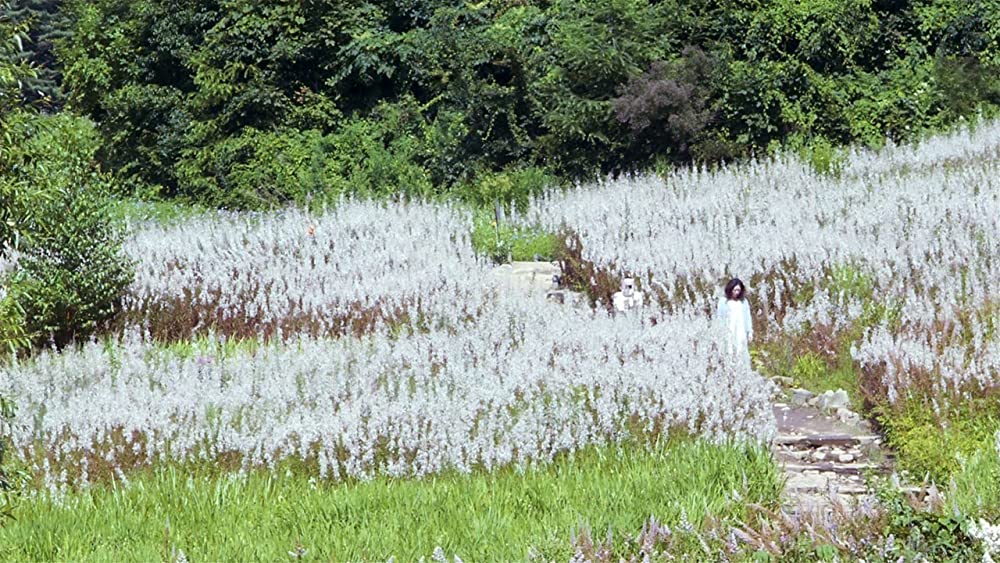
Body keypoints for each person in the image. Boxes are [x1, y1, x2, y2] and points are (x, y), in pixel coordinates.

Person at [716, 277, 753, 366]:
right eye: (735, 290)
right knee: (729, 347)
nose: (736, 292)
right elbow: (720, 317)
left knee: (740, 347)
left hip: (740, 329)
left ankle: (740, 366)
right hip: (729, 328)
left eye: (738, 290)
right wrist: (719, 331)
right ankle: (729, 366)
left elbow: (747, 317)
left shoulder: (743, 302)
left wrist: (750, 332)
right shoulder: (723, 301)